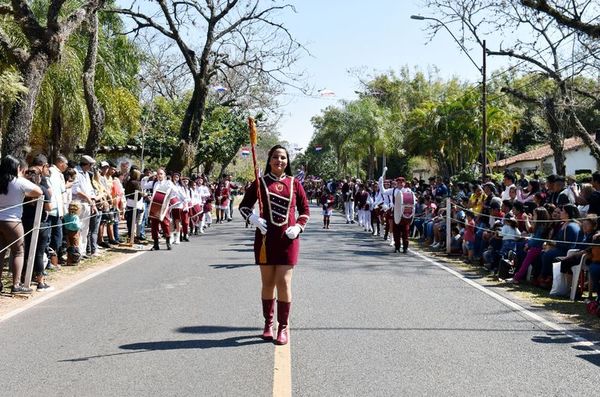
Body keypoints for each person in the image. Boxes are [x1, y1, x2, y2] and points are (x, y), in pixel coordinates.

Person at [239, 144, 310, 346]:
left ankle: (283, 327)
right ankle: (268, 324)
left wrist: (298, 227)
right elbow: (244, 206)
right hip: (265, 240)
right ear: (269, 160)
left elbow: (305, 210)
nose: (280, 161)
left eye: (284, 158)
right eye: (276, 157)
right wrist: (253, 218)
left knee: (284, 283)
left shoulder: (294, 183)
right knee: (268, 283)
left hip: (288, 240)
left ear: (287, 162)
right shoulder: (260, 182)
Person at [0, 155, 43, 294]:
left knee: (1, 252)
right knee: (18, 251)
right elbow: (39, 191)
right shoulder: (18, 181)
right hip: (13, 221)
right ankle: (16, 285)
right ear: (17, 168)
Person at [379, 176, 416, 253]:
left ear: (404, 183)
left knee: (405, 231)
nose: (400, 184)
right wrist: (380, 182)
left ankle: (405, 248)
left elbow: (414, 200)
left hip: (405, 214)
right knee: (396, 232)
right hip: (396, 213)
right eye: (398, 182)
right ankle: (397, 247)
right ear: (396, 183)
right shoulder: (393, 190)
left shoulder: (408, 191)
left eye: (402, 182)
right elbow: (383, 192)